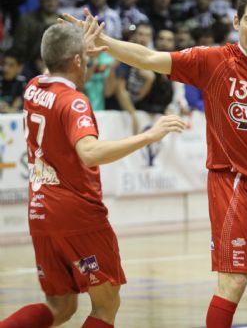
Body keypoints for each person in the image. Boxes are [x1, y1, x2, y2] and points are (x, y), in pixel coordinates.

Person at [62, 0, 247, 328]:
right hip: (232, 182)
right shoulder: (214, 60)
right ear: (236, 22)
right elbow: (149, 58)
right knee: (233, 282)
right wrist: (105, 41)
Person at [0, 20, 185, 328]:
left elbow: (54, 60)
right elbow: (90, 153)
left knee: (60, 306)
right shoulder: (73, 101)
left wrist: (75, 47)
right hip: (77, 214)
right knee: (106, 304)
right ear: (77, 60)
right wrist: (149, 136)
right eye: (84, 57)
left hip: (40, 211)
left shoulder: (33, 86)